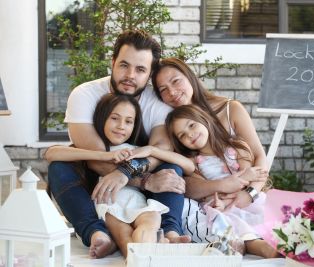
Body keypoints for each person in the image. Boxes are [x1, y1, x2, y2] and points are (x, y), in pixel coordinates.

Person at [47, 30, 189, 259]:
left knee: (171, 169)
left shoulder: (157, 103)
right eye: (124, 65)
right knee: (59, 169)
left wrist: (130, 173)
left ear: (150, 73)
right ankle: (97, 232)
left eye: (140, 69)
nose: (130, 75)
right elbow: (96, 157)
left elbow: (161, 151)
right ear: (113, 63)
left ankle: (170, 231)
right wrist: (145, 181)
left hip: (138, 179)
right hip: (95, 180)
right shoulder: (84, 94)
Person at [45, 94, 194, 258]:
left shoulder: (137, 150)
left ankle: (154, 250)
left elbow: (188, 165)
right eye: (115, 118)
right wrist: (105, 156)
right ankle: (137, 260)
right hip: (108, 202)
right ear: (102, 119)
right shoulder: (94, 148)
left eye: (128, 121)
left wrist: (151, 150)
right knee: (123, 235)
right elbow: (51, 153)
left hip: (137, 201)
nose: (121, 126)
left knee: (150, 222)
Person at [151, 57, 270, 210]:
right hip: (210, 204)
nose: (172, 92)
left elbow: (260, 157)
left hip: (249, 196)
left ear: (190, 77)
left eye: (175, 81)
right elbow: (186, 180)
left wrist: (249, 194)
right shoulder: (174, 128)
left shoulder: (230, 109)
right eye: (163, 90)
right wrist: (221, 187)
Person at [165, 104, 278, 258]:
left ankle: (275, 244)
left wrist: (242, 187)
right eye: (182, 135)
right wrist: (222, 203)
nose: (190, 135)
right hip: (222, 205)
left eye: (192, 125)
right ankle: (261, 248)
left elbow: (250, 177)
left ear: (205, 120)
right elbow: (205, 192)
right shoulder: (195, 163)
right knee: (228, 221)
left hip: (248, 200)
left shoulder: (237, 147)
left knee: (267, 221)